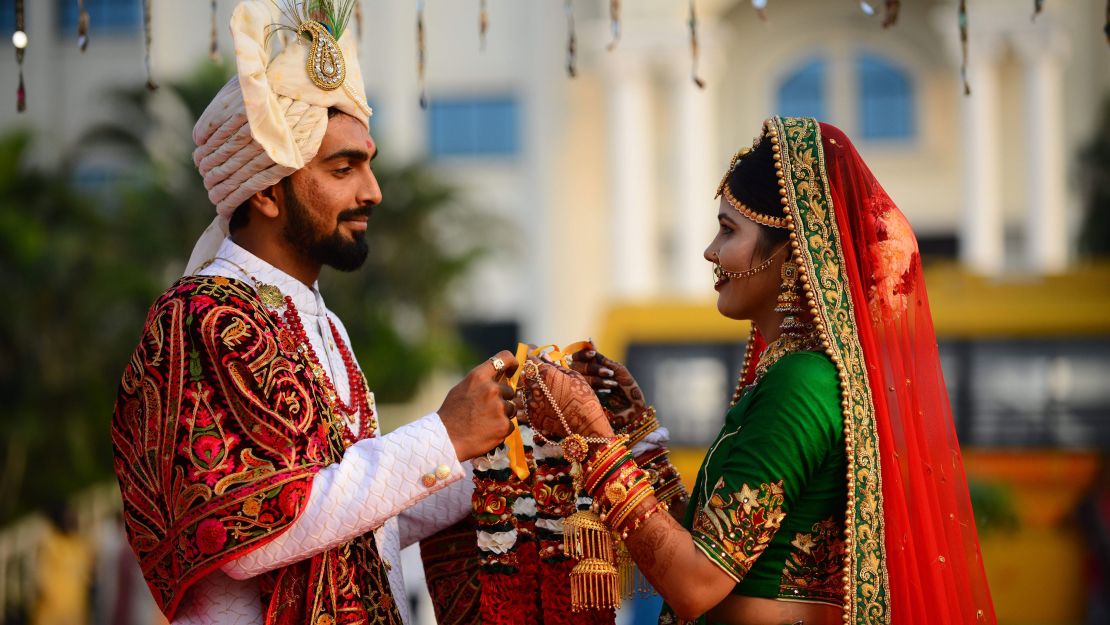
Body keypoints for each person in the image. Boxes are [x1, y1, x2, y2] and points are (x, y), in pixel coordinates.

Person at [110, 2, 517, 624]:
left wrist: (509, 450)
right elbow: (249, 532)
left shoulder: (323, 323)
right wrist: (444, 433)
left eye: (368, 163)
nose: (371, 191)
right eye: (342, 168)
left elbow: (361, 521)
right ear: (267, 191)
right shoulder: (201, 316)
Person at [521, 117, 996, 625]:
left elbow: (697, 582)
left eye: (728, 230)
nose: (710, 251)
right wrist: (635, 437)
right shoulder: (798, 375)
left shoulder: (801, 383)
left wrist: (592, 439)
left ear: (792, 256)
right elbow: (716, 546)